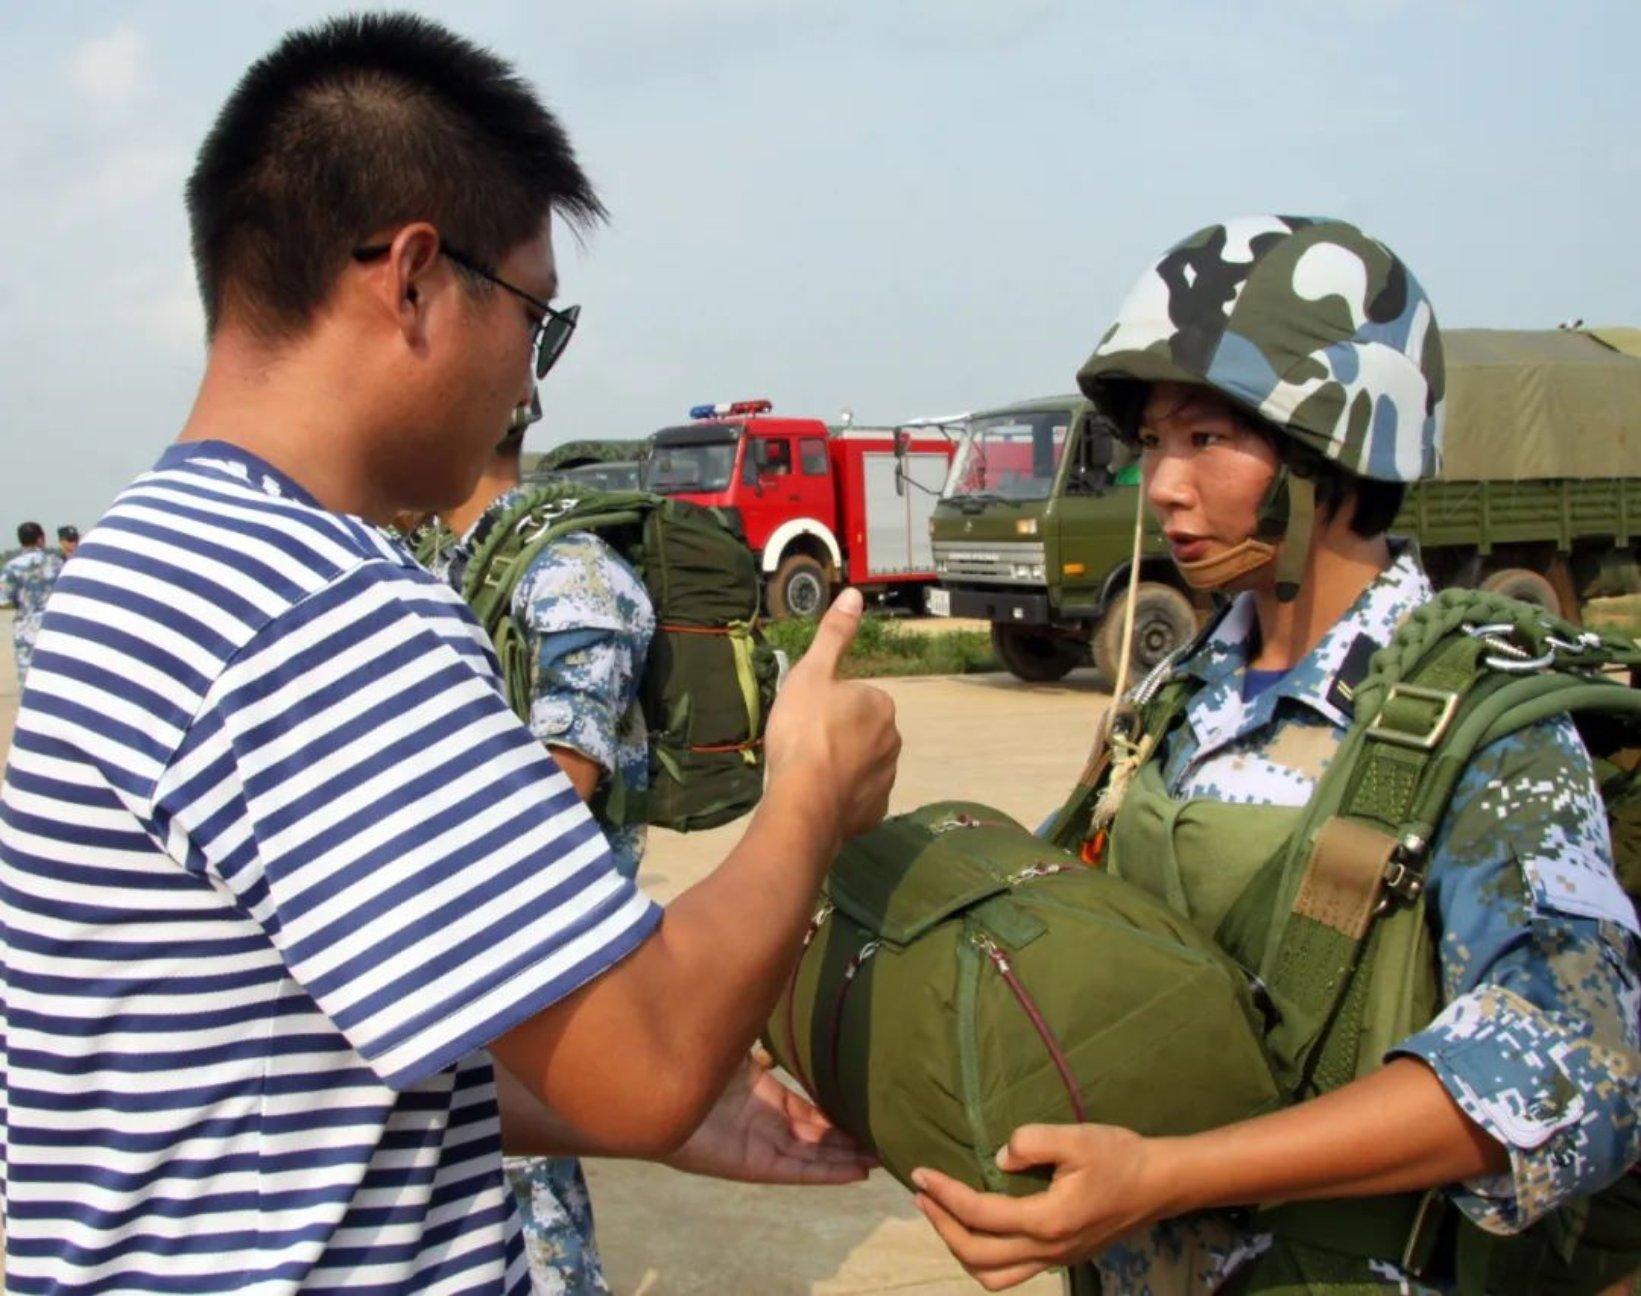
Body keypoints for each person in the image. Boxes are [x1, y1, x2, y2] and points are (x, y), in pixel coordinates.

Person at [0, 14, 899, 1293]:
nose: (527, 386)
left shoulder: (145, 563)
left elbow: (271, 1083)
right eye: (536, 318)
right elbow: (646, 1059)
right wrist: (811, 787)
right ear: (415, 278)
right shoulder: (315, 605)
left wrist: (655, 1112)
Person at [910, 217, 1640, 1293]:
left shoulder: (1487, 728)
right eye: (1153, 441)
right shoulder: (1177, 694)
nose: (1161, 484)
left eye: (1206, 438)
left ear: (1333, 450)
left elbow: (1578, 1069)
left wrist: (1169, 1175)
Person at [427, 404, 654, 1292]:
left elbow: (566, 781)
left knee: (526, 1206)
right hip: (474, 943)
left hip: (528, 946)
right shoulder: (458, 564)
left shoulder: (569, 576)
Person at [0, 520, 63, 686]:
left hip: (26, 630)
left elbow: (3, 598)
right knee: (56, 678)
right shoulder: (57, 563)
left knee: (28, 681)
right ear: (41, 539)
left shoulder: (12, 567)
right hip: (54, 627)